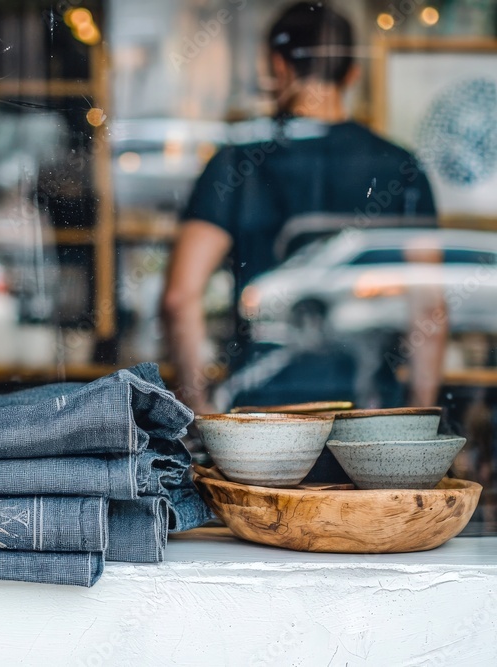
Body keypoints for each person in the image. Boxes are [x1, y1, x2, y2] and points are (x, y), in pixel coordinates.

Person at [160, 1, 446, 415]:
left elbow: (178, 297)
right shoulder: (401, 167)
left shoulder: (238, 160)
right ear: (353, 73)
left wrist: (200, 412)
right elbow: (429, 307)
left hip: (261, 413)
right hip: (368, 410)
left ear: (279, 67)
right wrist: (417, 413)